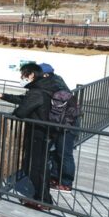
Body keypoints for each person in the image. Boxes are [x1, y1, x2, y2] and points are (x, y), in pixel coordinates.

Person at [0, 63, 59, 209]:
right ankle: (43, 197)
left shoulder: (37, 92)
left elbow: (22, 111)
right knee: (37, 166)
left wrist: (16, 112)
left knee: (34, 167)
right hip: (43, 132)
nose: (22, 78)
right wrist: (2, 96)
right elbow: (24, 100)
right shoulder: (43, 87)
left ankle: (43, 200)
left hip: (38, 133)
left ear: (32, 75)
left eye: (24, 75)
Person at [39, 63, 77, 192]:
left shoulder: (53, 84)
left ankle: (66, 183)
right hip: (60, 122)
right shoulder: (56, 80)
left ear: (45, 74)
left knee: (65, 153)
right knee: (57, 151)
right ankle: (55, 178)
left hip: (67, 123)